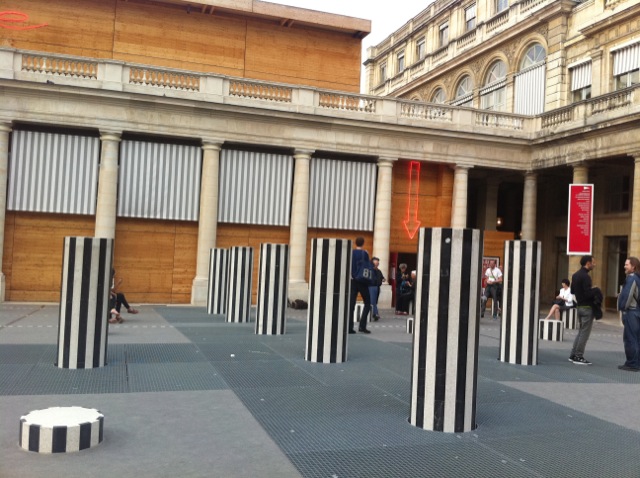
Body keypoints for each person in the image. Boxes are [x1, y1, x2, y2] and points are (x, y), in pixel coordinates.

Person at [569, 255, 598, 365]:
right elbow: (587, 293)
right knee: (584, 333)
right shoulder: (586, 277)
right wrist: (595, 290)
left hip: (579, 306)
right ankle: (578, 356)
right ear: (588, 263)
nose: (594, 264)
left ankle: (573, 354)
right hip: (587, 307)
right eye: (593, 262)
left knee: (581, 331)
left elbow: (572, 291)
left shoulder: (575, 275)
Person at [617, 257, 640, 372]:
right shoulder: (638, 278)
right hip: (637, 311)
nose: (624, 266)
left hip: (631, 312)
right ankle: (636, 362)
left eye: (627, 265)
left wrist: (623, 309)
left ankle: (632, 363)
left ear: (633, 267)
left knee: (630, 338)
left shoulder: (631, 279)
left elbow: (627, 296)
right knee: (636, 338)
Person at [348, 237, 372, 334]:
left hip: (353, 280)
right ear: (363, 243)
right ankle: (362, 326)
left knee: (351, 304)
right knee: (367, 302)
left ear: (355, 243)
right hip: (362, 280)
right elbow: (367, 265)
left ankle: (349, 327)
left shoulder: (351, 253)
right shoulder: (365, 253)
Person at [368, 257, 385, 321]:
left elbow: (382, 277)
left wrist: (383, 279)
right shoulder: (370, 270)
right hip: (371, 286)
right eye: (376, 263)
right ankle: (375, 313)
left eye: (378, 263)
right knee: (373, 301)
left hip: (377, 286)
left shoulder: (378, 271)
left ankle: (374, 314)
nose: (377, 264)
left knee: (375, 301)